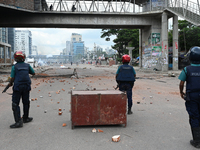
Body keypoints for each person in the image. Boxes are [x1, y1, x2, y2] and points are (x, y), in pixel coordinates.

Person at [178, 46, 200, 148]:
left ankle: (197, 141)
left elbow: (181, 83)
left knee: (194, 117)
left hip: (192, 97)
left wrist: (181, 92)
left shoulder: (187, 69)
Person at [8, 51, 35, 128]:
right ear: (24, 58)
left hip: (18, 87)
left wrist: (10, 83)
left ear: (15, 58)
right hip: (26, 86)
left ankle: (18, 122)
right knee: (26, 102)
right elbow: (33, 73)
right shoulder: (27, 65)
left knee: (15, 104)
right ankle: (25, 118)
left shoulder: (14, 67)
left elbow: (12, 77)